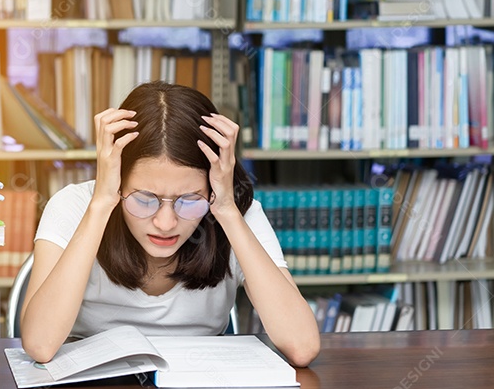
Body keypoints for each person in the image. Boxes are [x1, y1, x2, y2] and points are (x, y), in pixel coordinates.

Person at [20, 81, 320, 367]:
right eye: (144, 198)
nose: (165, 223)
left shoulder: (235, 212)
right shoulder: (76, 205)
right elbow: (40, 345)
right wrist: (101, 204)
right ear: (118, 180)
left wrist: (227, 211)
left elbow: (302, 347)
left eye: (189, 200)